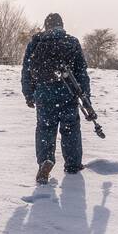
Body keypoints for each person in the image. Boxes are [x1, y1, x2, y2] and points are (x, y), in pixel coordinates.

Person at [21, 12, 91, 183]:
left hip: (44, 95)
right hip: (67, 93)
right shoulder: (71, 42)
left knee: (45, 129)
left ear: (46, 26)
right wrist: (86, 99)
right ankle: (73, 165)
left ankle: (45, 160)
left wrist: (29, 95)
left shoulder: (36, 43)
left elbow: (26, 71)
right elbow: (81, 73)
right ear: (62, 25)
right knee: (70, 129)